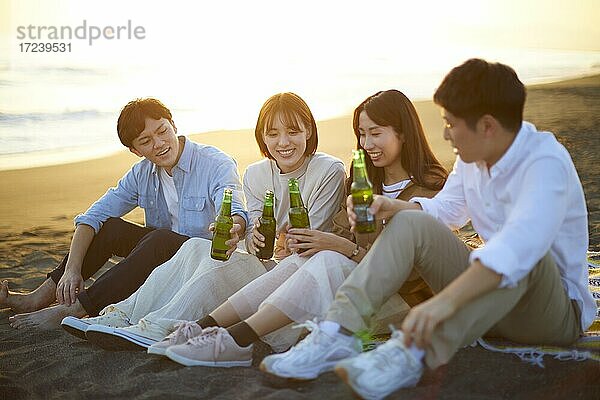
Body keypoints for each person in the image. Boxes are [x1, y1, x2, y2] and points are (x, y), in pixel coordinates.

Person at [259, 59, 595, 400]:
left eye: (451, 124)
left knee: (524, 256)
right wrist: (393, 206)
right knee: (410, 221)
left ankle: (410, 352)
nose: (446, 133)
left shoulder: (545, 162)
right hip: (492, 308)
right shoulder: (472, 158)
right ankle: (335, 332)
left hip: (551, 313)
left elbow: (519, 245)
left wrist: (443, 304)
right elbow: (445, 210)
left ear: (488, 126)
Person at [154, 89, 448, 367]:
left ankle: (235, 339)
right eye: (361, 134)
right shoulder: (363, 183)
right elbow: (342, 237)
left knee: (328, 259)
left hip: (403, 302)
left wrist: (343, 247)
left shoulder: (429, 190)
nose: (366, 144)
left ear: (404, 134)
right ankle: (204, 327)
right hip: (358, 289)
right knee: (310, 258)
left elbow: (409, 274)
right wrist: (332, 244)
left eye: (376, 133)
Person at [61, 92, 347, 351]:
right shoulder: (257, 174)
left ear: (309, 129)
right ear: (262, 137)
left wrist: (256, 235)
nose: (283, 143)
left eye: (294, 131)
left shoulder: (328, 170)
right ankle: (123, 315)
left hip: (298, 275)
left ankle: (159, 327)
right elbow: (255, 242)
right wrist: (256, 237)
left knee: (207, 255)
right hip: (267, 265)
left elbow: (312, 244)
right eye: (273, 134)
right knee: (196, 247)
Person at [3, 98, 248, 329]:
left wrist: (234, 226)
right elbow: (91, 218)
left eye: (162, 131)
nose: (159, 144)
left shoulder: (216, 163)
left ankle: (76, 308)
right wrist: (72, 270)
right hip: (163, 261)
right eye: (146, 140)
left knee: (160, 238)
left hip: (206, 262)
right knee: (110, 228)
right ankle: (38, 298)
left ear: (173, 125)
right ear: (135, 150)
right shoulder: (142, 173)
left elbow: (235, 207)